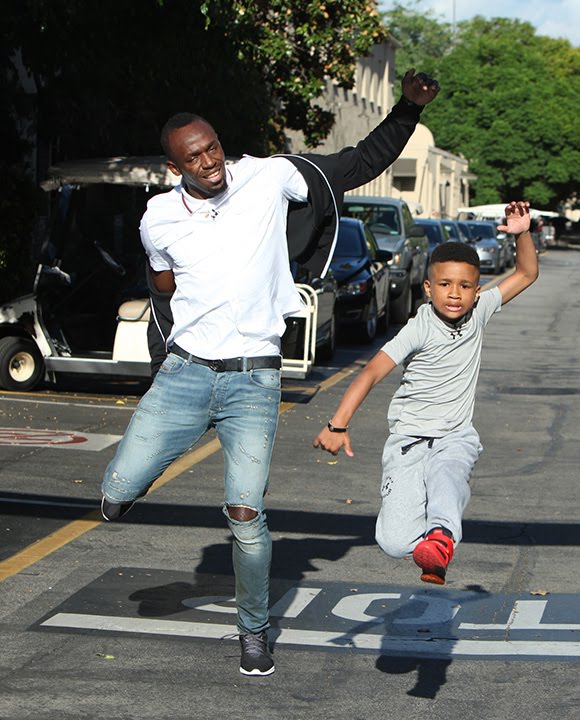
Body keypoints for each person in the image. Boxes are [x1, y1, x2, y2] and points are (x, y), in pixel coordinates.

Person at [99, 69, 441, 677]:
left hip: (254, 380)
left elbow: (358, 162)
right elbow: (162, 284)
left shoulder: (266, 176)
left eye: (213, 148)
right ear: (175, 167)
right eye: (194, 157)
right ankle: (125, 490)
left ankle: (253, 633)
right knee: (117, 491)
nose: (210, 162)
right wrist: (170, 347)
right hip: (185, 374)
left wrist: (408, 109)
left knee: (246, 515)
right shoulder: (159, 218)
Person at [312, 201, 540, 585]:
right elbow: (371, 372)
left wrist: (522, 234)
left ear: (477, 291)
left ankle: (441, 538)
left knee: (448, 477)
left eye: (465, 286)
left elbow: (527, 273)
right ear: (429, 288)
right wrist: (338, 425)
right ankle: (428, 546)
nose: (455, 294)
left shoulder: (481, 310)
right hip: (408, 442)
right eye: (445, 285)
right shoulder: (417, 329)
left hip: (454, 436)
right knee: (393, 542)